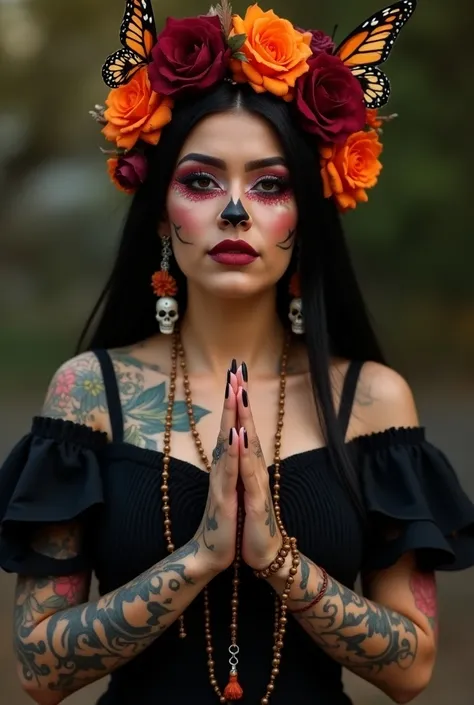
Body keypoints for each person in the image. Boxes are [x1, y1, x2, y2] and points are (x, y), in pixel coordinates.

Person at [1, 1, 473, 704]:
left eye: (269, 184)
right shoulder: (88, 391)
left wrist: (278, 559)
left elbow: (412, 668)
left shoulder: (372, 398)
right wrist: (199, 557)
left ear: (305, 214)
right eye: (201, 180)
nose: (233, 211)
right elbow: (38, 670)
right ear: (163, 211)